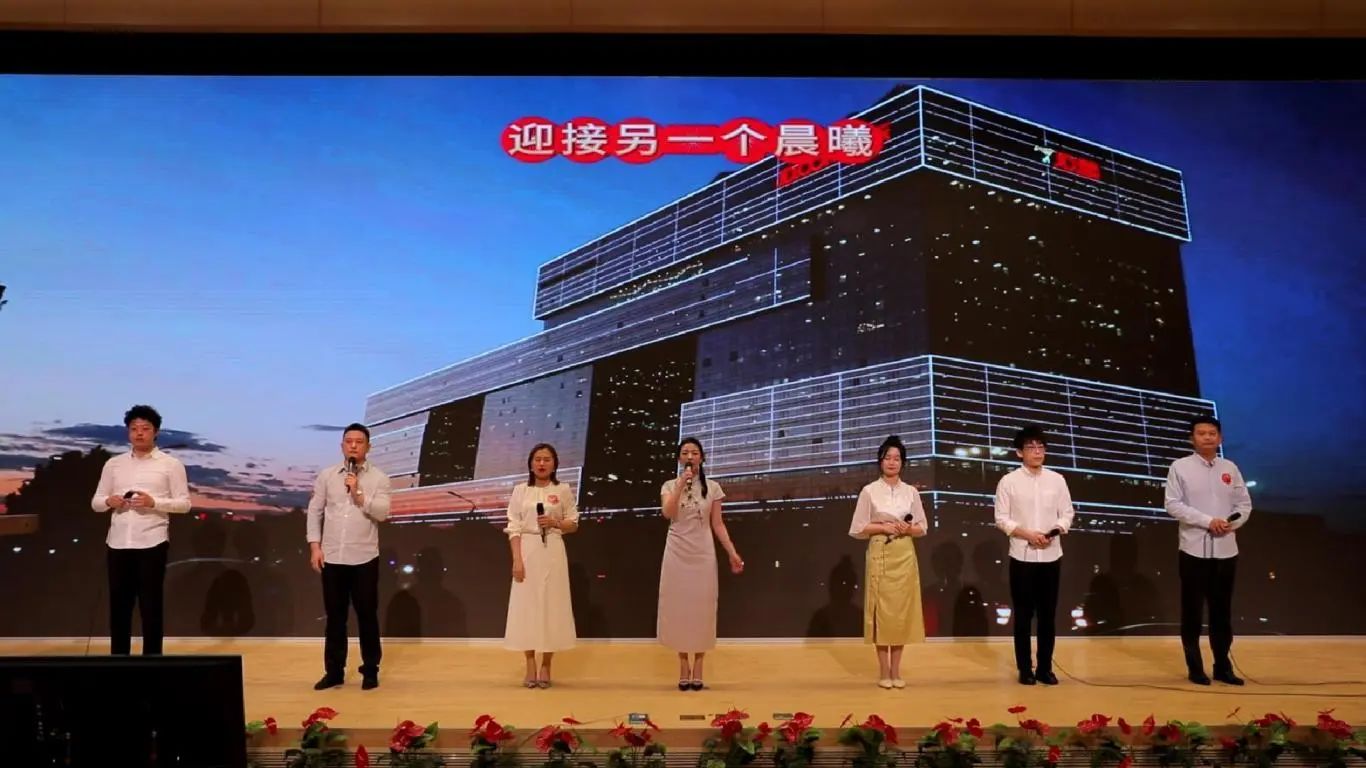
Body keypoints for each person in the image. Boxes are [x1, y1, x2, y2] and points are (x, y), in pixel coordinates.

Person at [89, 404, 192, 656]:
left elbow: (184, 504)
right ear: (128, 432)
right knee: (119, 608)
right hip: (118, 543)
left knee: (151, 607)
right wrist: (109, 501)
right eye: (134, 428)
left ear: (156, 432)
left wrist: (154, 502)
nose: (139, 433)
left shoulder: (170, 465)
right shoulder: (114, 464)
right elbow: (96, 502)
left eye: (145, 428)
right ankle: (119, 661)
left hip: (152, 542)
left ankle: (152, 662)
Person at [1164, 415, 1252, 686]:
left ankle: (1223, 666)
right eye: (1201, 433)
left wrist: (1230, 523)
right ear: (1192, 438)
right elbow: (1172, 504)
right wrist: (1207, 521)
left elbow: (1244, 504)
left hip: (1226, 550)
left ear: (1220, 438)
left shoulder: (1230, 467)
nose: (1207, 437)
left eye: (1212, 433)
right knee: (1192, 612)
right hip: (1193, 550)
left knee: (1221, 613)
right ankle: (1195, 667)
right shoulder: (1180, 467)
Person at [306, 422, 392, 690]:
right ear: (342, 445)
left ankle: (370, 670)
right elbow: (315, 511)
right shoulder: (327, 475)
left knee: (367, 616)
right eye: (348, 441)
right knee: (335, 618)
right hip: (332, 557)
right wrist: (315, 546)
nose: (353, 446)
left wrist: (358, 493)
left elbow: (383, 513)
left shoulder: (379, 478)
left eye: (359, 442)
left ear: (368, 447)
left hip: (364, 557)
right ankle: (334, 672)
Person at [657, 437, 745, 691]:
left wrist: (732, 552)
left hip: (702, 553)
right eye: (685, 452)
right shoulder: (669, 485)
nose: (690, 456)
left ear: (702, 458)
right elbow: (668, 513)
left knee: (702, 609)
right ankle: (683, 664)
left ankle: (699, 666)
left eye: (695, 453)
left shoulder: (713, 488)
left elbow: (717, 524)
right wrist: (680, 484)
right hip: (676, 552)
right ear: (679, 459)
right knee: (679, 609)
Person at [993, 425, 1076, 686]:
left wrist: (1054, 531)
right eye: (1031, 447)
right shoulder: (1008, 481)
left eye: (1041, 447)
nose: (1037, 452)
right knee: (1023, 616)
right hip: (1022, 557)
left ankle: (1045, 668)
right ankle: (1025, 669)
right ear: (1020, 452)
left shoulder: (1057, 480)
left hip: (1051, 555)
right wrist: (1028, 534)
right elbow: (1001, 519)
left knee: (1048, 616)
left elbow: (1067, 513)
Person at [848, 435, 928, 688]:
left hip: (904, 554)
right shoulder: (869, 491)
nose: (892, 462)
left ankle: (896, 671)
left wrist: (907, 528)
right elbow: (858, 528)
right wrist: (882, 526)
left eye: (897, 458)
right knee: (882, 613)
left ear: (903, 463)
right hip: (880, 551)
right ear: (880, 461)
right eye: (887, 458)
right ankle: (884, 672)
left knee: (900, 613)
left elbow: (922, 527)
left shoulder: (911, 491)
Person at [504, 443, 579, 688]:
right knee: (527, 608)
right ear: (531, 463)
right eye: (537, 459)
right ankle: (530, 664)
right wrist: (517, 559)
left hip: (553, 549)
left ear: (554, 464)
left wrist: (555, 522)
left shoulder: (563, 489)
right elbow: (513, 527)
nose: (542, 463)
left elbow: (573, 523)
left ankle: (546, 664)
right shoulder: (520, 490)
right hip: (527, 549)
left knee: (551, 606)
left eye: (547, 459)